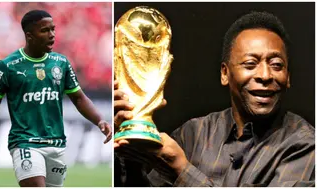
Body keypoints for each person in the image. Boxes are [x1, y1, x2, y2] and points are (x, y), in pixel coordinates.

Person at [114, 11, 315, 187]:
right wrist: (131, 152)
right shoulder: (192, 134)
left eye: (277, 65)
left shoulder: (305, 145)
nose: (265, 75)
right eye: (250, 64)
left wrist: (181, 171)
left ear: (288, 77)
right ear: (225, 74)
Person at [0, 10, 112, 187]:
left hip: (57, 144)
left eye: (53, 29)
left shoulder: (61, 63)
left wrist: (99, 120)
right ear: (29, 36)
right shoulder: (7, 67)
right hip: (25, 143)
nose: (52, 34)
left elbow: (78, 98)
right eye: (45, 30)